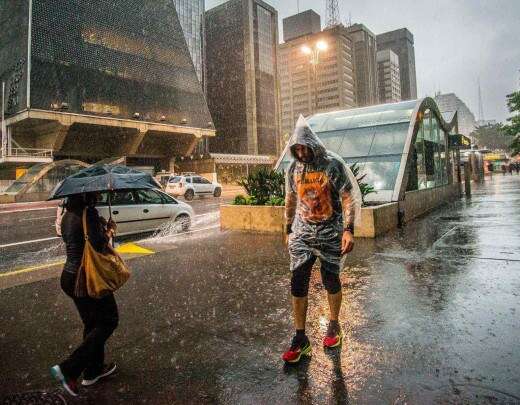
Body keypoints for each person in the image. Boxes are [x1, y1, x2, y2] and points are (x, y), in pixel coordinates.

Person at [282, 118, 356, 364]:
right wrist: (287, 229)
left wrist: (348, 229)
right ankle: (300, 338)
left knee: (330, 279)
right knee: (298, 281)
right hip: (302, 234)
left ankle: (334, 325)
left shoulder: (331, 165)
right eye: (297, 149)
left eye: (304, 148)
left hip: (330, 232)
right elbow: (290, 199)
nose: (301, 153)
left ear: (313, 145)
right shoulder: (294, 169)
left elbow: (347, 197)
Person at [50, 192, 118, 396]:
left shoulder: (67, 215)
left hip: (69, 277)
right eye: (95, 193)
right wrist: (109, 230)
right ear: (87, 196)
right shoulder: (88, 213)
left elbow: (76, 241)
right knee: (109, 321)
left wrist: (98, 227)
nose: (98, 195)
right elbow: (99, 245)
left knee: (92, 323)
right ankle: (69, 369)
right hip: (87, 278)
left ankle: (93, 372)